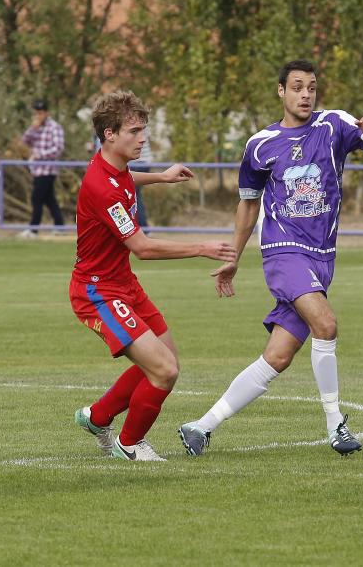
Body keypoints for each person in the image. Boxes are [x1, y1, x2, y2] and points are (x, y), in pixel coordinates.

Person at [178, 59, 363, 457]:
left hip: (322, 256)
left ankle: (200, 426)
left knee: (278, 356)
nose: (305, 95)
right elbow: (247, 206)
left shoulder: (334, 124)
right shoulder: (260, 144)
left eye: (311, 87)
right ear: (281, 91)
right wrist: (234, 256)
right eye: (297, 87)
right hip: (282, 251)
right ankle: (336, 425)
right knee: (326, 325)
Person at [70, 90, 236, 462]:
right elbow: (142, 247)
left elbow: (126, 179)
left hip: (123, 284)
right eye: (134, 131)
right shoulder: (101, 186)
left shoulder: (116, 169)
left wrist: (160, 177)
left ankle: (97, 417)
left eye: (143, 129)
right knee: (162, 370)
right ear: (109, 134)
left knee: (166, 361)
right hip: (97, 293)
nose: (142, 137)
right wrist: (200, 248)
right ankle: (128, 445)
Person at [19, 99, 65, 237]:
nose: (38, 115)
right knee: (49, 199)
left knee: (36, 198)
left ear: (46, 113)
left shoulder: (54, 127)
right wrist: (34, 128)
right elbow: (24, 141)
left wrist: (39, 155)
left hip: (48, 169)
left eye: (40, 112)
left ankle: (33, 229)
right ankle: (60, 226)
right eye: (36, 113)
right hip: (36, 170)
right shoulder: (35, 127)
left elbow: (58, 148)